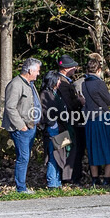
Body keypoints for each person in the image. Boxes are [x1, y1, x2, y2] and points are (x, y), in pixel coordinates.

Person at [80, 54, 110, 185]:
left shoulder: (84, 84)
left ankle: (95, 179)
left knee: (93, 149)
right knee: (108, 148)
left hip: (89, 119)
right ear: (98, 70)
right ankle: (106, 179)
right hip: (102, 118)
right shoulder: (99, 83)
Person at [2, 58, 43, 193]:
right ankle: (21, 188)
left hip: (31, 126)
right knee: (23, 158)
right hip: (21, 128)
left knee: (25, 157)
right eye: (37, 70)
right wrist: (21, 126)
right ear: (30, 70)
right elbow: (10, 107)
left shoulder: (29, 83)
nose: (38, 73)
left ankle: (22, 185)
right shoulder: (16, 84)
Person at [47, 55, 85, 184]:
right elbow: (70, 105)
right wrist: (79, 101)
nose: (75, 68)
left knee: (67, 149)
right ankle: (67, 178)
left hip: (67, 122)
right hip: (66, 123)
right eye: (72, 66)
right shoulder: (62, 83)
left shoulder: (65, 81)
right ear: (65, 68)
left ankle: (64, 178)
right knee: (66, 150)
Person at [39, 71, 69, 189]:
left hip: (60, 128)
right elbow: (47, 112)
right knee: (53, 155)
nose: (60, 81)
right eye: (58, 80)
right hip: (52, 128)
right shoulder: (45, 94)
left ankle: (57, 181)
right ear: (53, 81)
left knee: (60, 155)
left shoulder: (55, 93)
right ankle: (52, 182)